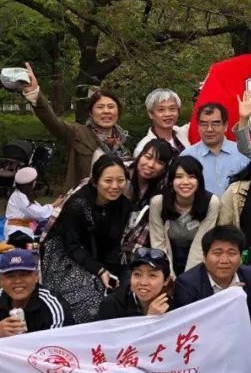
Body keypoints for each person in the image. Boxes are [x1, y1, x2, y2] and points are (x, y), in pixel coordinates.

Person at [40, 155, 131, 323]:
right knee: (87, 300)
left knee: (120, 291)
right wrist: (99, 270)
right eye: (108, 181)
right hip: (66, 254)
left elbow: (113, 244)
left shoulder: (123, 205)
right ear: (95, 182)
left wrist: (110, 272)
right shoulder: (78, 204)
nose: (115, 186)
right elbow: (72, 245)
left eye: (120, 180)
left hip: (99, 254)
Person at [19, 63, 130, 192]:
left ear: (118, 111)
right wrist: (35, 93)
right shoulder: (78, 133)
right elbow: (53, 122)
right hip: (85, 204)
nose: (106, 111)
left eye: (111, 107)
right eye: (100, 107)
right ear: (91, 112)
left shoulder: (125, 142)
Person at [172, 225, 251, 357]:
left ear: (240, 256)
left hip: (243, 347)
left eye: (232, 253)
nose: (224, 260)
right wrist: (227, 299)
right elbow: (186, 331)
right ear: (204, 256)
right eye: (217, 253)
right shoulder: (187, 284)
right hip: (204, 351)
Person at [148, 156, 220, 275]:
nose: (185, 182)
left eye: (191, 177)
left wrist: (187, 280)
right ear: (171, 181)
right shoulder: (158, 202)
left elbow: (200, 244)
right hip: (168, 254)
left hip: (199, 256)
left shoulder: (211, 202)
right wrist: (168, 276)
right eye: (179, 177)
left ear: (199, 180)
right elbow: (158, 244)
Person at [0, 249, 72, 336]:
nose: (17, 281)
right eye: (10, 276)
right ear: (1, 280)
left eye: (24, 275)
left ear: (36, 276)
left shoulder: (53, 307)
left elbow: (57, 346)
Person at [96, 247, 173, 319]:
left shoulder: (175, 305)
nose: (143, 282)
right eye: (137, 274)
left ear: (166, 280)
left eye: (152, 275)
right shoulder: (111, 305)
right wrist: (150, 320)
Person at [3, 167, 53, 240]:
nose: (35, 183)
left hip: (25, 229)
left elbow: (37, 208)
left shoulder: (23, 195)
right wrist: (54, 204)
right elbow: (37, 212)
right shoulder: (19, 196)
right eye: (34, 181)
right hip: (16, 232)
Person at [134, 88, 189, 154]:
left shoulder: (184, 133)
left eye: (172, 109)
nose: (167, 114)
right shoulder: (143, 148)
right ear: (151, 114)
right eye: (161, 110)